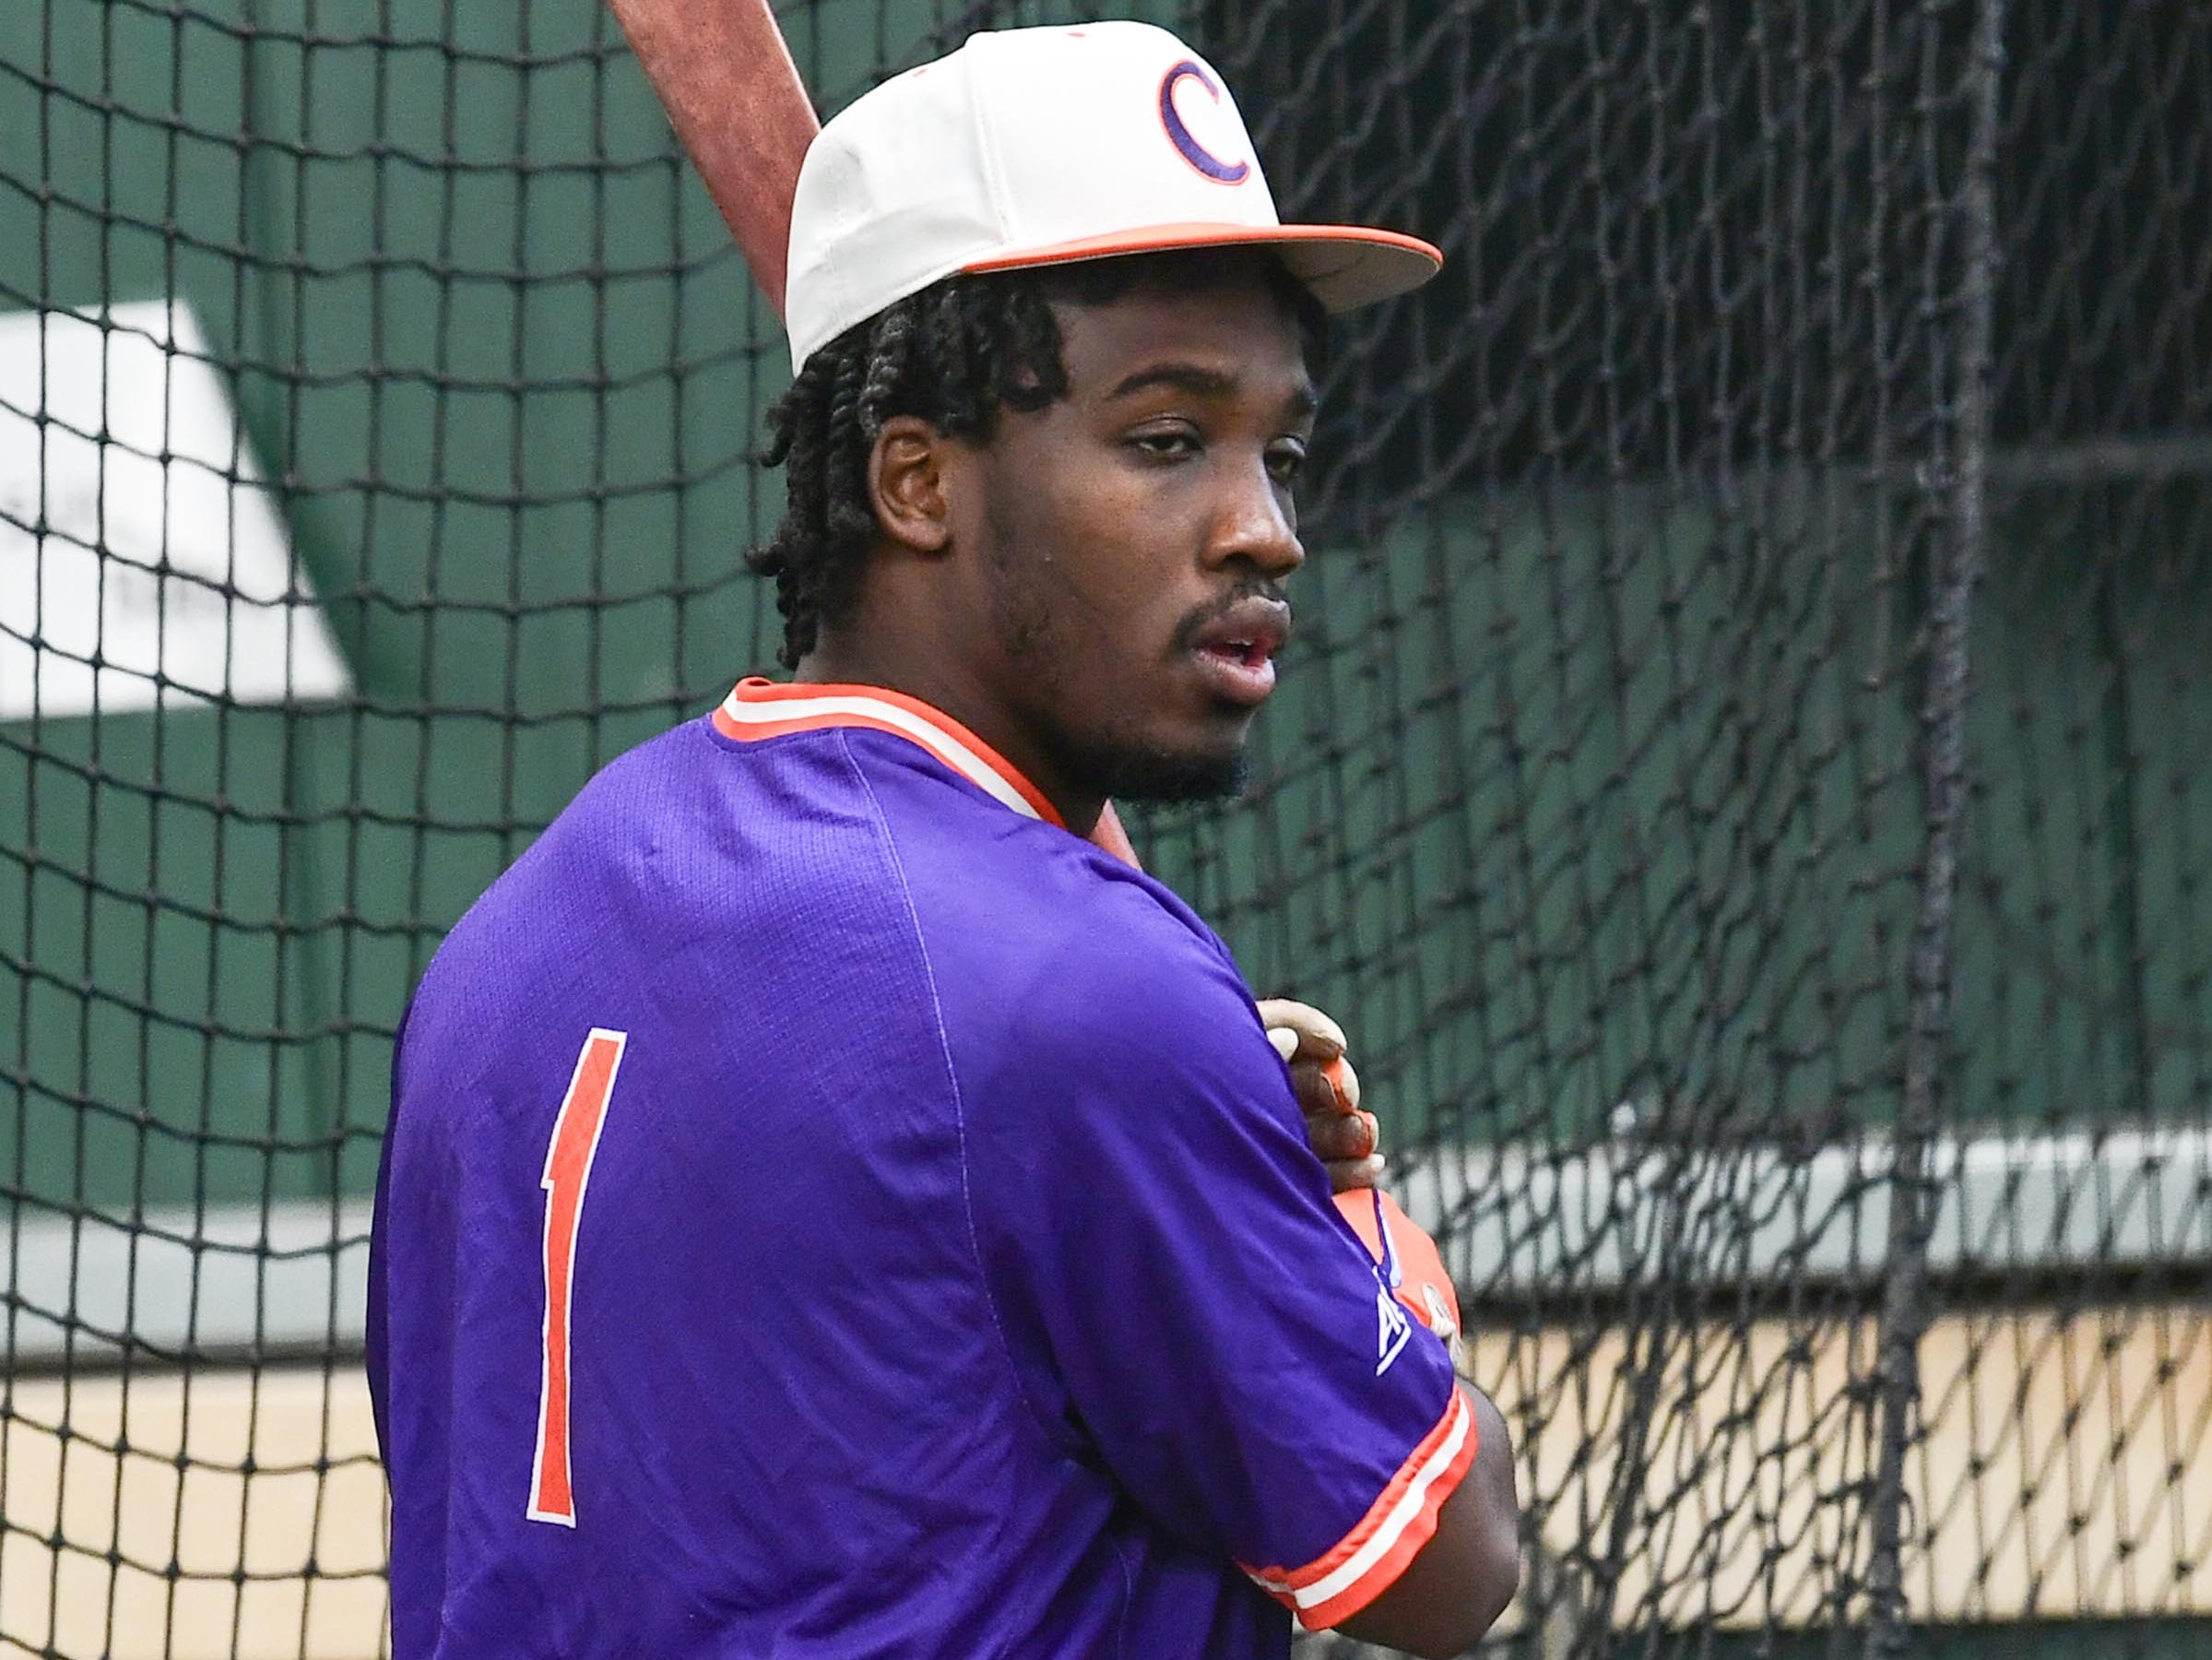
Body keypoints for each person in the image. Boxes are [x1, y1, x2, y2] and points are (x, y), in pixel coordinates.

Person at [367, 19, 1520, 1657]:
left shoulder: (514, 934)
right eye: (1169, 439)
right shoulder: (1077, 998)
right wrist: (1348, 1241)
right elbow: (1441, 1570)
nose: (1267, 522)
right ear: (917, 480)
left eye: (1282, 446)